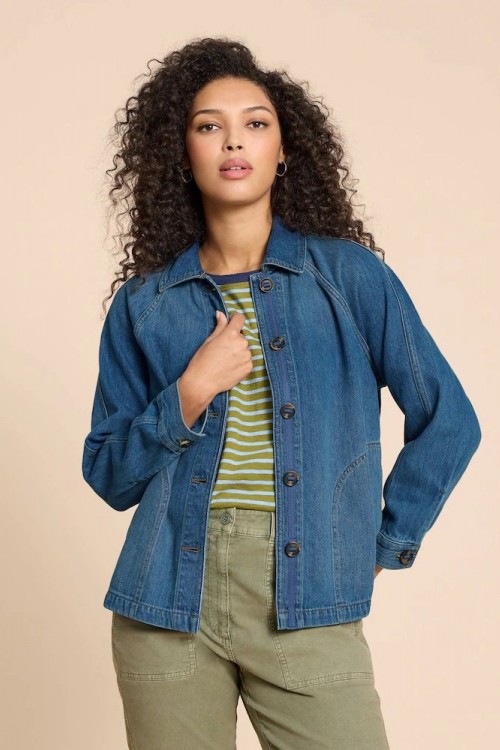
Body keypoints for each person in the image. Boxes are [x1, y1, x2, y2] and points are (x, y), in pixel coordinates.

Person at [82, 36, 481, 750]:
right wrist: (190, 392)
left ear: (284, 148)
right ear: (181, 153)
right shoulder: (145, 303)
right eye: (209, 125)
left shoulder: (348, 278)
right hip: (165, 599)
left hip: (305, 591)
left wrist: (385, 541)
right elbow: (110, 476)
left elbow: (450, 419)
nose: (234, 140)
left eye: (256, 123)